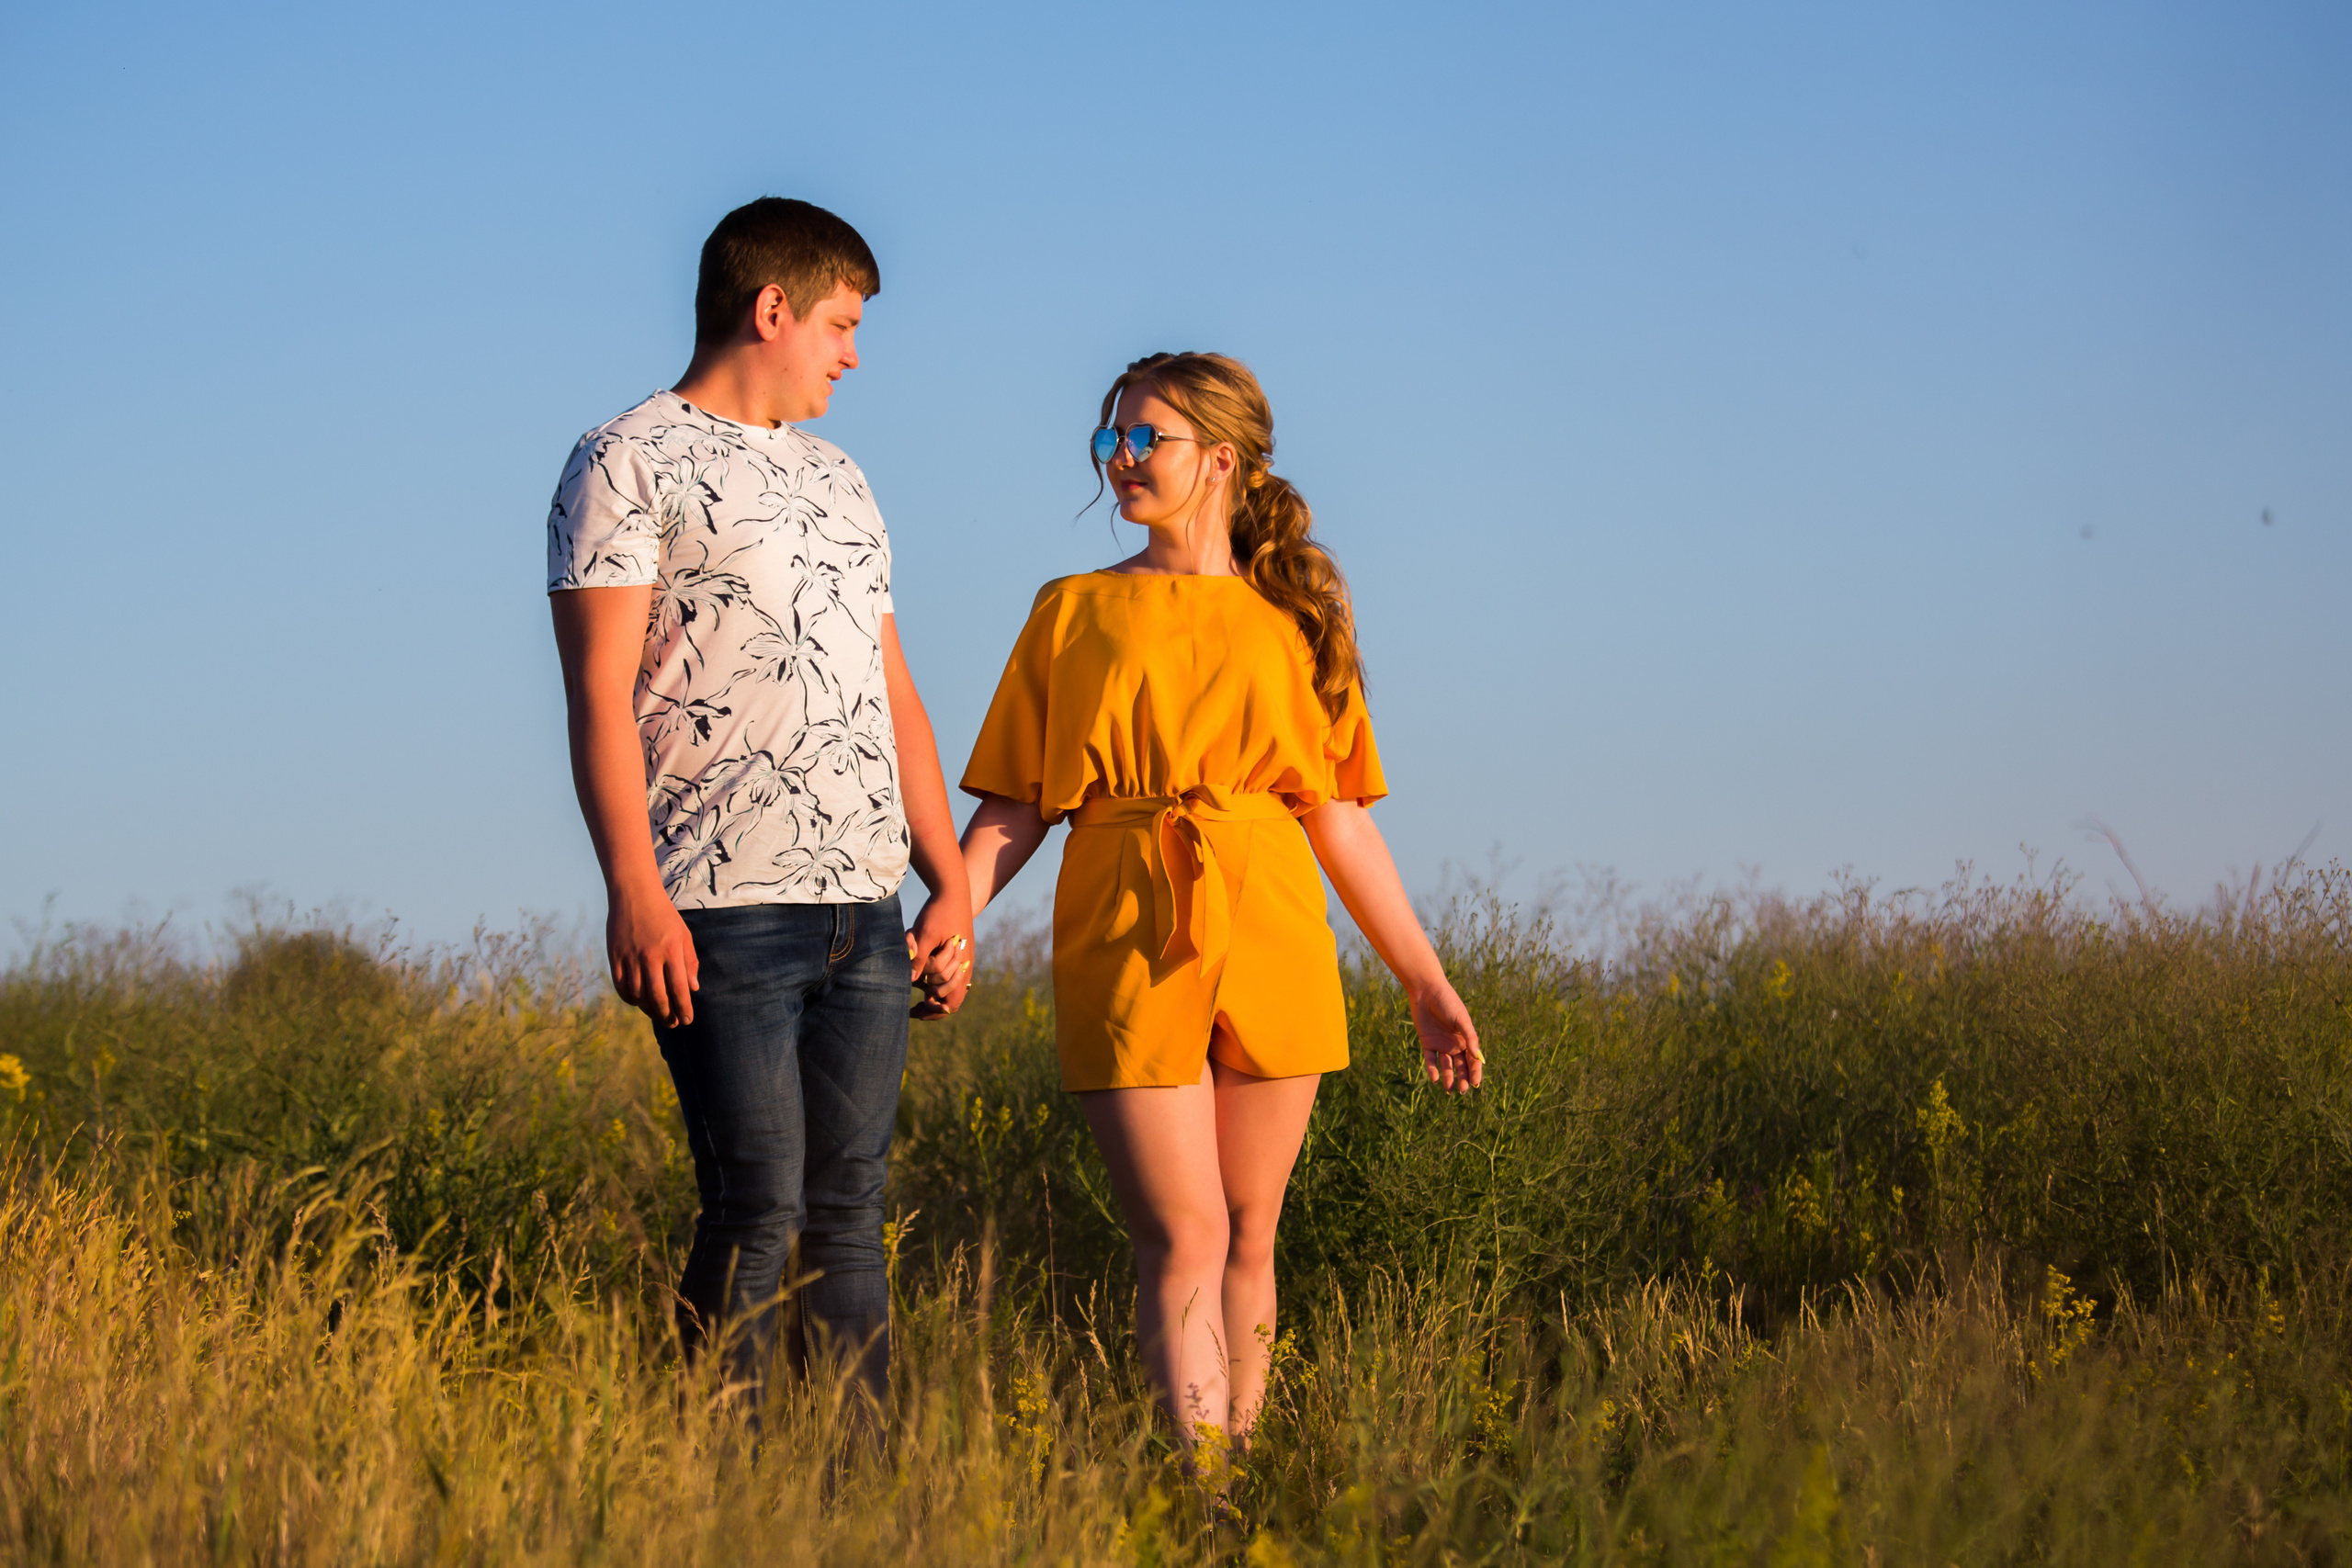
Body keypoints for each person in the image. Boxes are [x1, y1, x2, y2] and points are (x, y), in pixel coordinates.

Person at [941, 352, 1483, 1450]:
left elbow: (1337, 816)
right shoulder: (1072, 611)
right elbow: (1015, 805)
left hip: (1271, 910)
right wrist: (947, 917)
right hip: (1124, 917)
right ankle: (1196, 1494)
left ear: (1221, 460)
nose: (1121, 461)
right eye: (1111, 441)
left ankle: (1241, 1481)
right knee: (1179, 1234)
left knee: (1248, 1235)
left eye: (1146, 440)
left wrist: (1424, 981)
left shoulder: (1298, 613)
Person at [545, 197, 974, 1427]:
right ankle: (709, 1504)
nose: (852, 352)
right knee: (756, 1208)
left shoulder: (842, 476)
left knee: (848, 1220)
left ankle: (850, 1509)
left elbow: (892, 690)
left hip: (864, 904)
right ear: (771, 307)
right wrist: (634, 890)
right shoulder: (626, 456)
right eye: (841, 322)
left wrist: (948, 881)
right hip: (718, 905)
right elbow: (597, 697)